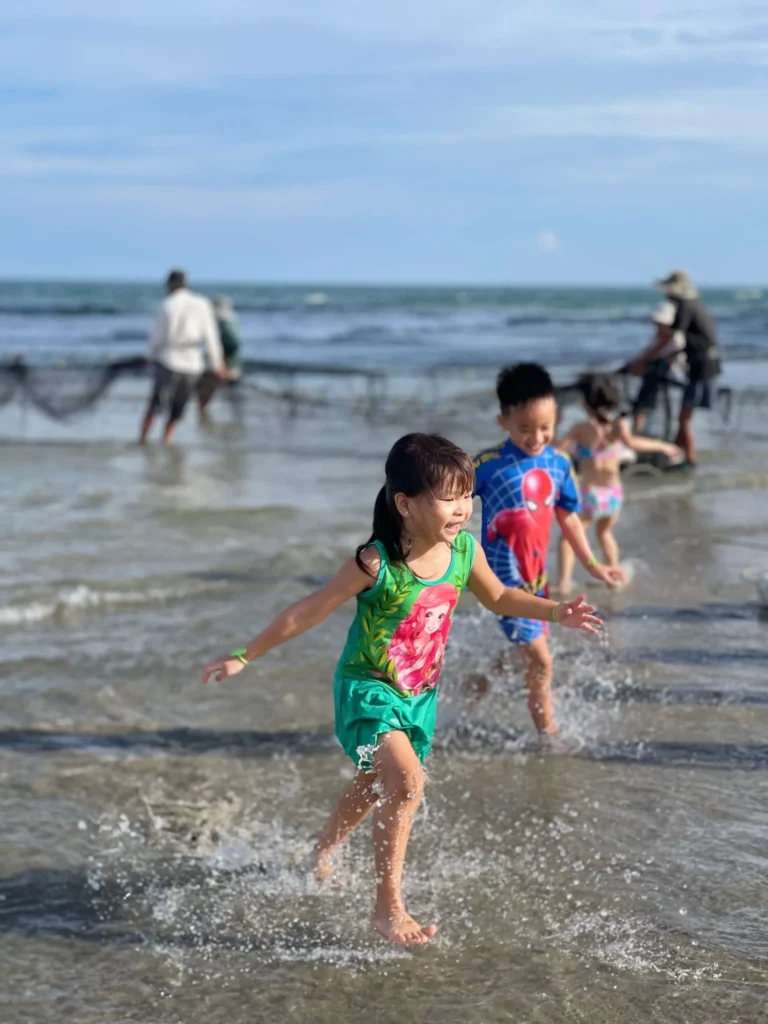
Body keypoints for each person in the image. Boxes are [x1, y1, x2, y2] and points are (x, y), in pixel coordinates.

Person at [201, 433, 601, 945]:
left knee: (376, 783)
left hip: (418, 696)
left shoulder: (463, 551)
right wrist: (244, 655)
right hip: (368, 689)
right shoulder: (377, 563)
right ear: (406, 505)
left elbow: (500, 596)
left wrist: (556, 611)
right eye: (449, 498)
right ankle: (387, 907)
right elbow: (308, 611)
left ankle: (322, 851)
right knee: (408, 783)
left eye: (466, 495)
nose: (462, 509)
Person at [471, 364, 624, 736]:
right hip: (501, 586)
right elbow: (448, 502)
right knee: (542, 660)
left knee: (527, 652)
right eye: (524, 428)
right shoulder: (487, 465)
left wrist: (593, 564)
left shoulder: (559, 464)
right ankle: (549, 736)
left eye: (546, 427)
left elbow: (569, 517)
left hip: (538, 581)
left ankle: (479, 682)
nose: (536, 437)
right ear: (503, 422)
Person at [558, 372, 682, 596]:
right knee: (605, 534)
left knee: (569, 538)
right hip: (613, 494)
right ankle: (614, 579)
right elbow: (633, 443)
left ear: (586, 402)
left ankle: (564, 583)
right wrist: (663, 446)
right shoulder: (619, 425)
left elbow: (557, 451)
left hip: (589, 494)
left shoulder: (581, 429)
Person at [629, 269, 721, 465]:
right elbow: (688, 341)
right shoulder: (696, 305)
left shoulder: (685, 306)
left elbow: (670, 337)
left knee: (684, 418)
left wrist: (644, 358)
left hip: (701, 366)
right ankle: (679, 455)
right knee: (684, 416)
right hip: (705, 362)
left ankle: (690, 461)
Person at [139, 270, 226, 445]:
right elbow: (211, 338)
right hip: (193, 363)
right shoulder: (202, 304)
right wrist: (217, 365)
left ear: (170, 285)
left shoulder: (166, 304)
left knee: (156, 404)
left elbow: (157, 338)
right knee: (178, 407)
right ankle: (166, 440)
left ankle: (143, 439)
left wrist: (151, 356)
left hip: (169, 360)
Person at [631, 299, 686, 435]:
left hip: (663, 373)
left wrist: (643, 361)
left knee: (643, 405)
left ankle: (638, 432)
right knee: (644, 405)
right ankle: (639, 431)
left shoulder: (671, 339)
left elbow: (657, 352)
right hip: (661, 373)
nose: (657, 326)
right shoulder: (664, 337)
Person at [197, 295, 243, 425]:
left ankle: (204, 414)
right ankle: (206, 414)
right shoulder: (232, 321)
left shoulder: (224, 324)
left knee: (206, 387)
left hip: (226, 366)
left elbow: (232, 345)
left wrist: (223, 363)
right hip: (231, 364)